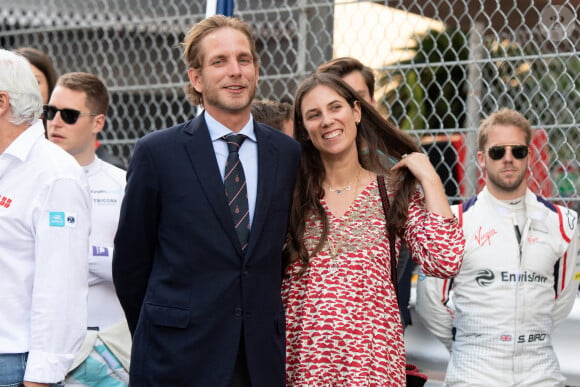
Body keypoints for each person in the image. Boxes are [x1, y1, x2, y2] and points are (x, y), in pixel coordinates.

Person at [112, 15, 301, 386]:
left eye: (243, 60)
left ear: (257, 70)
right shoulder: (157, 153)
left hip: (259, 361)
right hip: (175, 359)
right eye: (220, 61)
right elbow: (131, 264)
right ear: (196, 78)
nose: (235, 71)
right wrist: (162, 328)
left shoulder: (287, 153)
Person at [282, 72, 465, 385]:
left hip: (372, 369)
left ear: (356, 112)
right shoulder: (290, 195)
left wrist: (430, 177)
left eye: (335, 108)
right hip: (304, 371)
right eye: (314, 115)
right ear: (304, 129)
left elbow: (445, 259)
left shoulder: (391, 192)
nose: (326, 120)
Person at [415, 108, 580, 386]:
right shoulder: (453, 221)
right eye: (497, 152)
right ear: (481, 158)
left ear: (529, 155)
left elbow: (562, 300)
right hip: (473, 373)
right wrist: (473, 342)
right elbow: (430, 302)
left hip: (541, 373)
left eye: (518, 151)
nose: (508, 159)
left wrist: (525, 334)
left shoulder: (564, 222)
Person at [0, 49, 91, 386]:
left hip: (14, 366)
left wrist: (39, 379)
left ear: (1, 102)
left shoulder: (55, 175)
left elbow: (61, 291)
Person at [317, 56, 416, 328]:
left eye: (355, 97)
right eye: (338, 100)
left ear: (368, 104)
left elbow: (401, 255)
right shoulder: (305, 171)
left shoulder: (394, 171)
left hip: (379, 324)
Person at [46, 72, 131, 386]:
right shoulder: (23, 179)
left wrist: (88, 258)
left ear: (98, 123)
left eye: (68, 115)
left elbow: (138, 266)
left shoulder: (121, 184)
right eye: (50, 112)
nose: (55, 122)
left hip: (109, 351)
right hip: (42, 348)